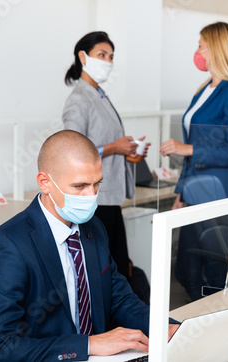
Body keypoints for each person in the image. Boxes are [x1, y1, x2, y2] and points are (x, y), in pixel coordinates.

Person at [0, 130, 178, 362]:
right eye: (80, 186)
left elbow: (119, 299)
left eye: (97, 184)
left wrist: (165, 328)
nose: (91, 196)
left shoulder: (93, 227)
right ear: (45, 182)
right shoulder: (8, 244)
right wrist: (89, 345)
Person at [159, 22, 228, 301]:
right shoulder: (203, 90)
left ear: (217, 47)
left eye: (201, 44)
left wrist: (187, 148)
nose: (197, 51)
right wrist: (180, 192)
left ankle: (214, 329)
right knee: (187, 271)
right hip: (195, 194)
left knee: (213, 271)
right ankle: (199, 326)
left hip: (218, 196)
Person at [62, 31, 150, 302]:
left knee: (119, 267)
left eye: (111, 57)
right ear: (83, 56)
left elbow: (103, 143)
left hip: (111, 196)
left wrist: (128, 152)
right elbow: (72, 150)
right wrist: (114, 148)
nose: (108, 61)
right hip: (95, 198)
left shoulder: (100, 95)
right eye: (102, 55)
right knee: (107, 268)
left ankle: (123, 324)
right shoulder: (79, 98)